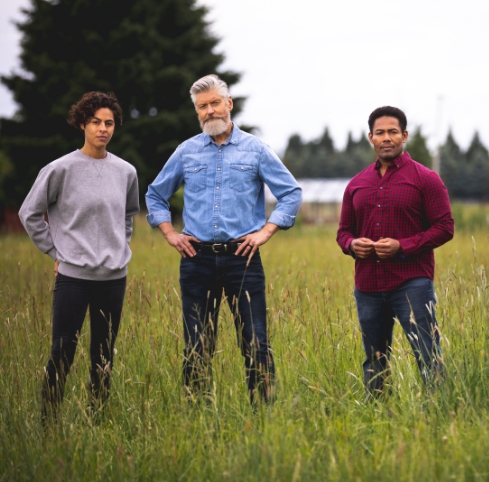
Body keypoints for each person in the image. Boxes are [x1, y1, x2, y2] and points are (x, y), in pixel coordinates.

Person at [146, 74, 301, 405]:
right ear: (197, 112)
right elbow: (155, 195)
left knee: (255, 341)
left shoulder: (255, 149)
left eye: (215, 103)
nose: (210, 111)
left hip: (242, 259)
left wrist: (267, 231)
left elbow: (291, 193)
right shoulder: (186, 152)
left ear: (229, 104)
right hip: (196, 260)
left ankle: (264, 416)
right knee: (197, 344)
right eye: (202, 106)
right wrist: (170, 233)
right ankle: (197, 417)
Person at [19, 92, 139, 420]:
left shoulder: (126, 172)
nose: (103, 129)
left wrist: (119, 248)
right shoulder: (60, 169)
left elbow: (127, 216)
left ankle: (97, 420)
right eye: (96, 122)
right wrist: (55, 251)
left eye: (109, 123)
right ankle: (49, 422)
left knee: (103, 355)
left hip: (114, 278)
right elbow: (29, 213)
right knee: (62, 352)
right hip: (73, 278)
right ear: (82, 123)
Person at [336, 106, 454, 398]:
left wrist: (403, 246)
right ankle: (377, 414)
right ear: (370, 138)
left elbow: (445, 227)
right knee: (374, 360)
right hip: (368, 285)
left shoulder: (426, 179)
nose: (386, 138)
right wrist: (352, 245)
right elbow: (343, 233)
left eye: (392, 132)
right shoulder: (357, 184)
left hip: (412, 281)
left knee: (428, 353)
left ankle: (437, 410)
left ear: (404, 135)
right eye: (380, 133)